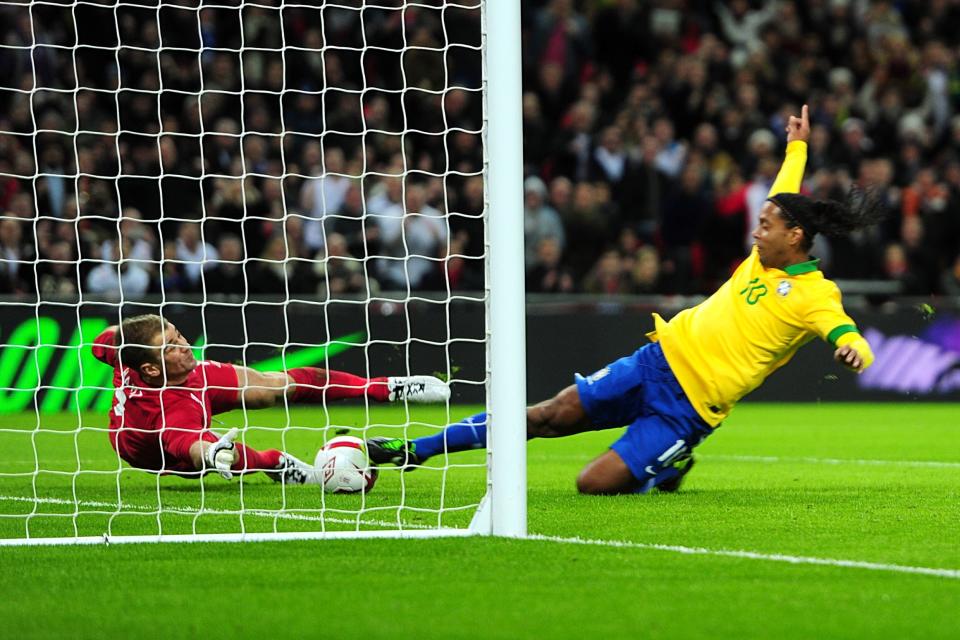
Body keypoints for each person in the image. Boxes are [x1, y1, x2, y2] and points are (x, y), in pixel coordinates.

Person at [368, 105, 886, 495]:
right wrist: (797, 147)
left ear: (795, 237)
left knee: (592, 485)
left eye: (767, 226)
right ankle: (417, 448)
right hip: (655, 360)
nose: (757, 231)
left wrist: (855, 351)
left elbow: (844, 332)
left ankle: (669, 463)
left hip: (688, 410)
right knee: (548, 416)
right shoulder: (763, 256)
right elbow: (785, 190)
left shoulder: (816, 294)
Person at [92, 314, 449, 483]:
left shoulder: (121, 347)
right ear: (151, 369)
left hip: (190, 385)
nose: (185, 346)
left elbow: (103, 339)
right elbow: (183, 441)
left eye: (179, 335)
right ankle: (275, 463)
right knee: (225, 457)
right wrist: (211, 450)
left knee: (272, 385)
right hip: (149, 451)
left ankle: (387, 387)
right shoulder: (173, 411)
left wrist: (122, 329)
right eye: (171, 346)